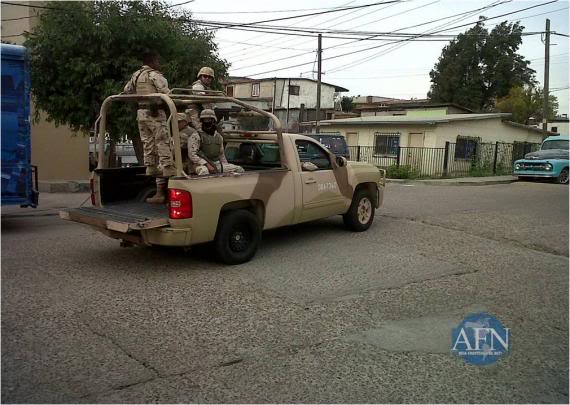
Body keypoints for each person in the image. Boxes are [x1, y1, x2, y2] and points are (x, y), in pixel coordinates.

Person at [123, 52, 175, 179]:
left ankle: (150, 168)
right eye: (157, 61)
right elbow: (165, 91)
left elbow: (127, 90)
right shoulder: (154, 75)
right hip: (154, 112)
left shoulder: (136, 75)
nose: (159, 64)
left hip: (141, 112)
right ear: (152, 62)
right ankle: (168, 167)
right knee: (162, 139)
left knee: (147, 141)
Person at [188, 109, 244, 176]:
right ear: (202, 121)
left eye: (209, 119)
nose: (207, 121)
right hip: (199, 164)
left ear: (214, 120)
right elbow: (192, 154)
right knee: (204, 172)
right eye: (205, 120)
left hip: (216, 164)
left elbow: (221, 154)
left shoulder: (218, 137)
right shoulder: (196, 135)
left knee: (239, 170)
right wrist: (206, 164)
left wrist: (225, 166)